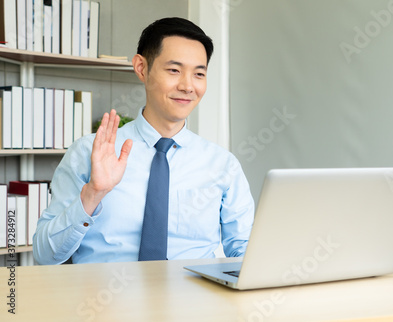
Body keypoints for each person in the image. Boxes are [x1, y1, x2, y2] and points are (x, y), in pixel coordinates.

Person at [33, 17, 255, 265]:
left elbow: (246, 252)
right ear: (141, 67)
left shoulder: (223, 165)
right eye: (174, 70)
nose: (187, 86)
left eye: (199, 74)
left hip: (194, 299)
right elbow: (45, 256)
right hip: (105, 300)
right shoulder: (89, 152)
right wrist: (93, 194)